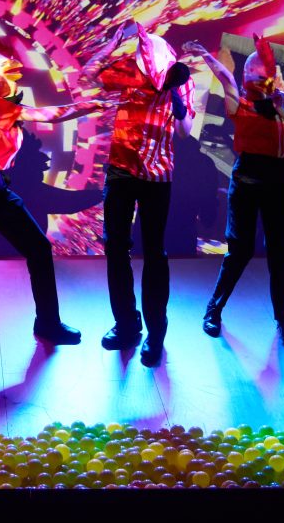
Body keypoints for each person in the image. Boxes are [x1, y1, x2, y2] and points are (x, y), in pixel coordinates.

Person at [0, 45, 106, 374]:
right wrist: (91, 104)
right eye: (2, 74)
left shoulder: (6, 107)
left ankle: (48, 325)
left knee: (39, 247)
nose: (11, 79)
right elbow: (49, 115)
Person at [78, 21, 196, 366]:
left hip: (157, 176)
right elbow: (90, 73)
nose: (147, 60)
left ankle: (156, 332)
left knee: (154, 253)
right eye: (143, 55)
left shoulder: (182, 79)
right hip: (120, 170)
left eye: (152, 55)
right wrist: (116, 39)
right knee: (115, 246)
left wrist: (174, 96)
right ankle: (127, 323)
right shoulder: (129, 71)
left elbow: (186, 131)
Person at [193, 36, 284, 346]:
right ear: (250, 77)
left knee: (279, 255)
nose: (266, 80)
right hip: (246, 183)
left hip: (278, 184)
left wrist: (282, 109)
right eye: (260, 76)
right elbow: (224, 77)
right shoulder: (240, 103)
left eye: (269, 76)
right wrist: (206, 54)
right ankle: (213, 311)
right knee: (239, 252)